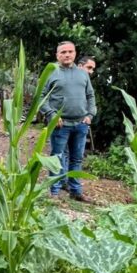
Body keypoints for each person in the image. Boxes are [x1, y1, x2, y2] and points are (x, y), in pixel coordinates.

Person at [40, 41, 97, 202]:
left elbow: (90, 96)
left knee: (77, 158)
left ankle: (76, 191)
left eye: (70, 51)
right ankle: (55, 192)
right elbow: (41, 97)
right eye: (63, 52)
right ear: (57, 55)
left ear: (75, 53)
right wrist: (51, 114)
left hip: (80, 123)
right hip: (60, 124)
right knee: (57, 157)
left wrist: (90, 115)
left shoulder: (82, 74)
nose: (67, 54)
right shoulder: (51, 72)